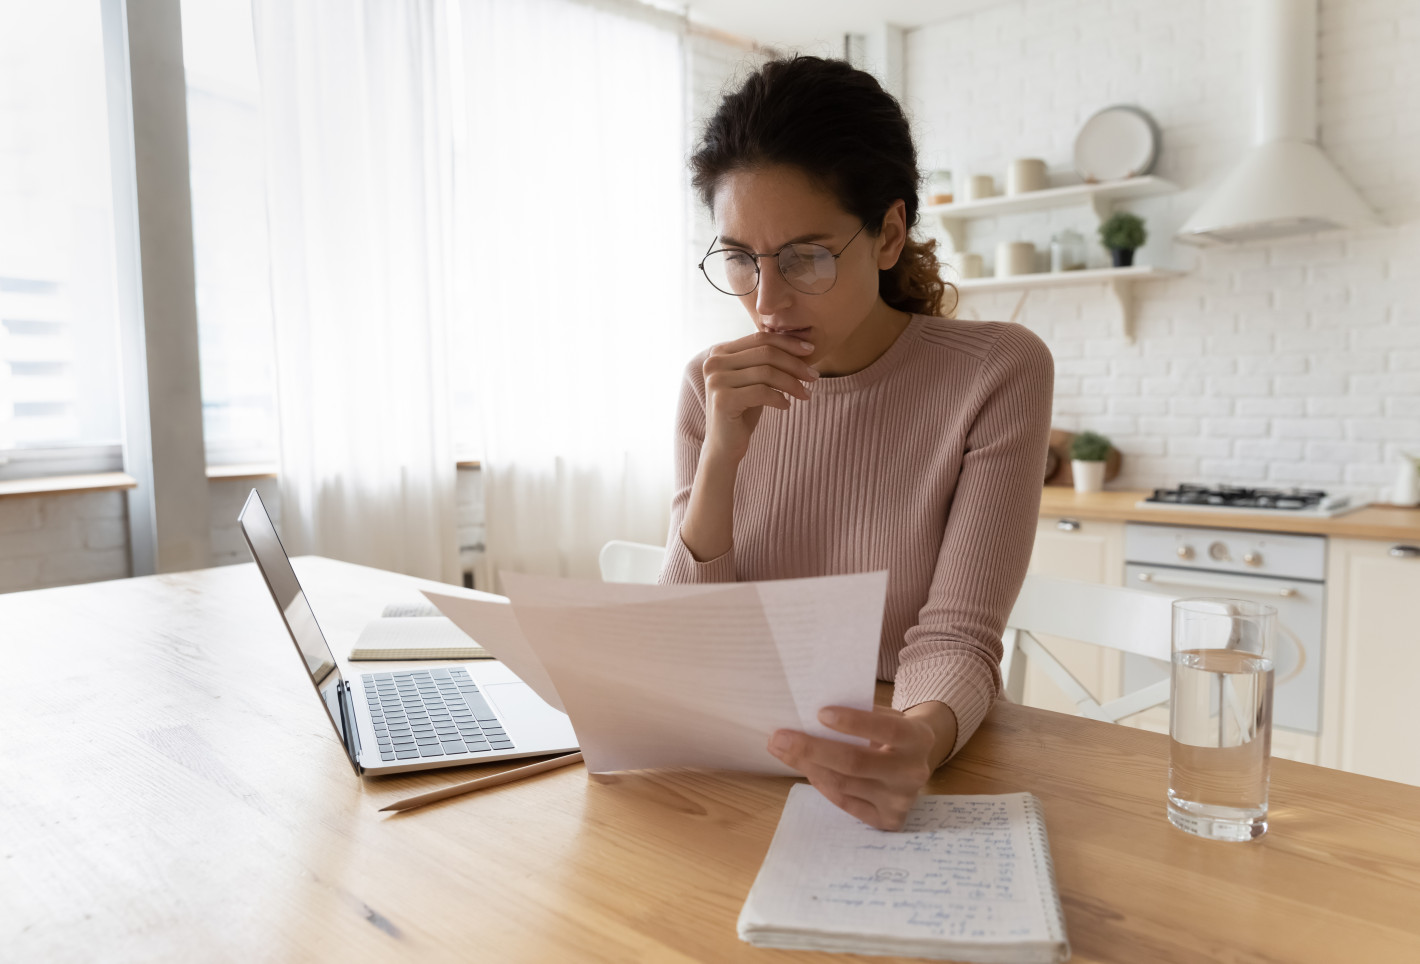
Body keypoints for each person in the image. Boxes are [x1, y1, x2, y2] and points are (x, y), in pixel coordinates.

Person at [659, 55, 1054, 831]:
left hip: (901, 766)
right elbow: (688, 647)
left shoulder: (997, 371)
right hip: (733, 776)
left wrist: (919, 740)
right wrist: (722, 458)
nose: (767, 302)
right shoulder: (711, 386)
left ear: (889, 234)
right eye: (740, 260)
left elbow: (957, 635)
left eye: (806, 257)